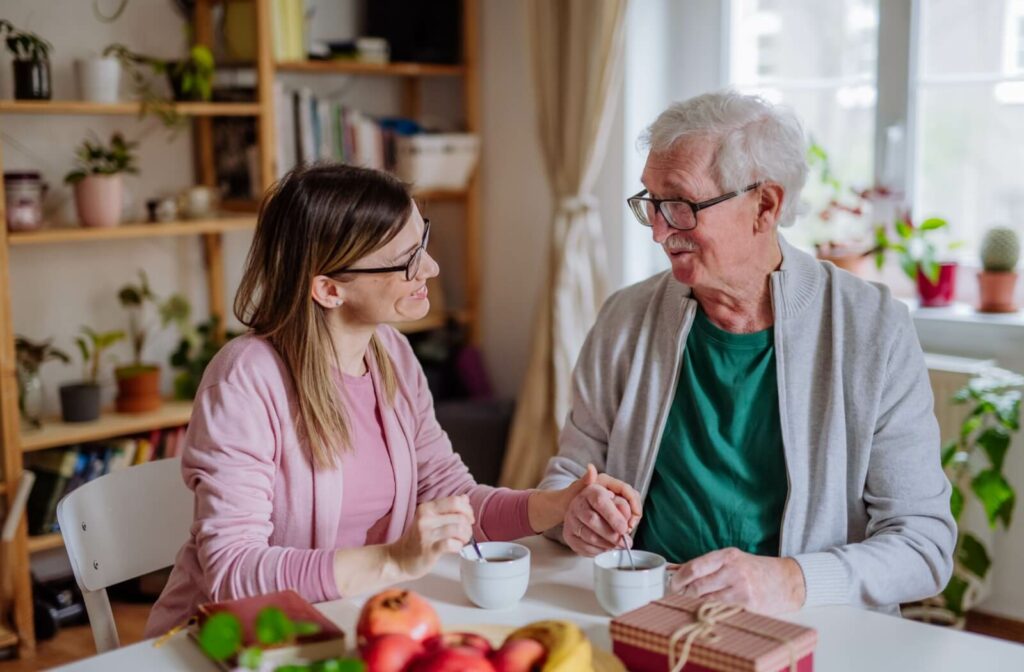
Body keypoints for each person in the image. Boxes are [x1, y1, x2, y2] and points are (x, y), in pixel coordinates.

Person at [146, 164, 635, 635]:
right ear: (329, 289)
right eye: (405, 259)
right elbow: (233, 573)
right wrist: (395, 559)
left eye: (421, 238)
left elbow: (452, 498)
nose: (431, 266)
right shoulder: (245, 381)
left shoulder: (392, 354)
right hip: (223, 644)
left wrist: (556, 505)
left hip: (352, 624)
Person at [541, 90, 956, 615]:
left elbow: (924, 544)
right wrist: (573, 513)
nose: (661, 231)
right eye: (651, 203)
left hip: (805, 628)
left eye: (682, 205)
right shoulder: (625, 319)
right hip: (648, 614)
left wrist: (791, 581)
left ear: (765, 206)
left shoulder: (872, 330)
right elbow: (568, 479)